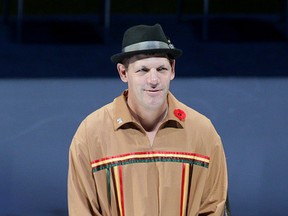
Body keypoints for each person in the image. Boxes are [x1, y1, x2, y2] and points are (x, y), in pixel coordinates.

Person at [68, 23, 228, 216]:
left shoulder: (202, 132)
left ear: (172, 70)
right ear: (123, 73)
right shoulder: (91, 134)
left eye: (161, 69)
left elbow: (215, 207)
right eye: (143, 70)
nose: (153, 80)